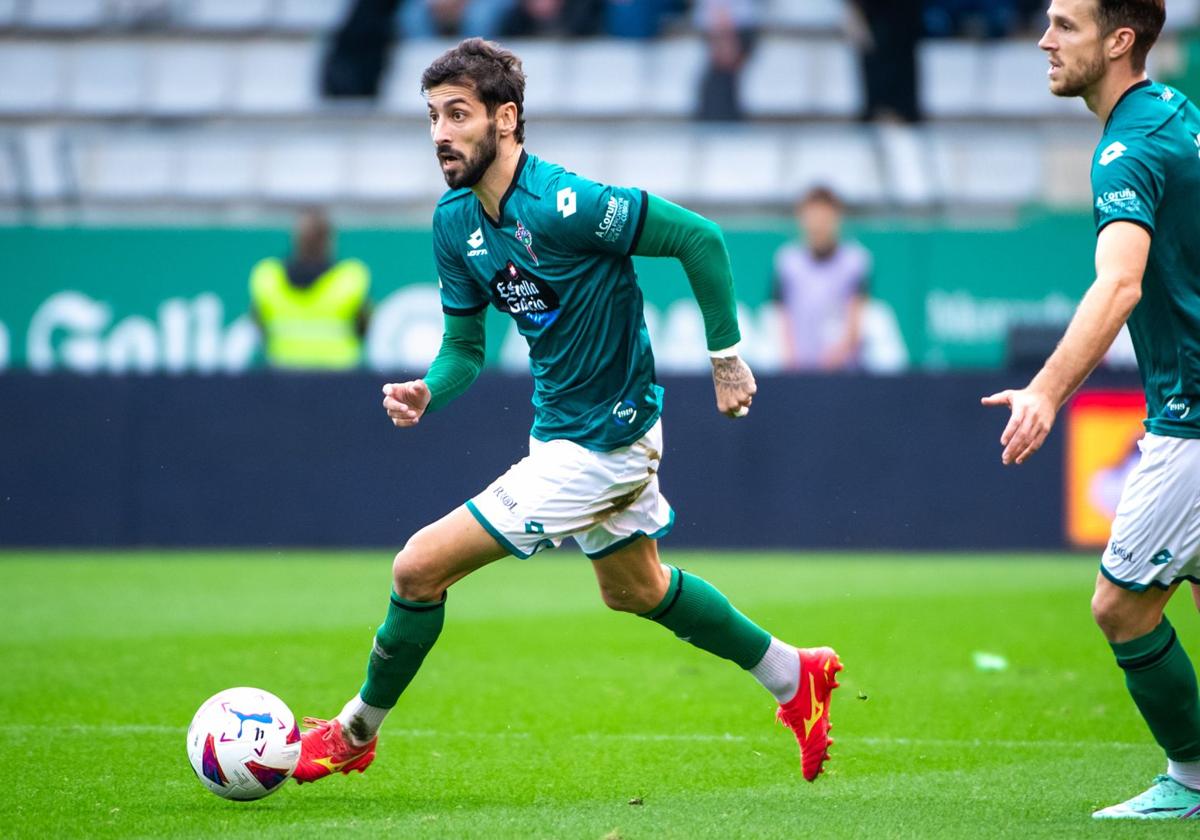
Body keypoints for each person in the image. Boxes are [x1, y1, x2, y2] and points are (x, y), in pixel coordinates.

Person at [292, 38, 842, 786]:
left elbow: (697, 238)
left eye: (458, 115)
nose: (440, 134)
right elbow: (463, 346)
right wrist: (429, 387)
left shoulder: (567, 203)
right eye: (432, 117)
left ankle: (356, 730)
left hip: (604, 445)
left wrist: (726, 357)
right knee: (635, 589)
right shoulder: (455, 222)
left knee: (417, 567)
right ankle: (793, 676)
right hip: (563, 429)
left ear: (505, 118)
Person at [982, 0, 1200, 820]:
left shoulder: (1128, 148)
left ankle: (1189, 777)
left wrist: (1044, 390)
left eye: (1065, 25)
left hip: (1193, 415)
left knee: (1119, 606)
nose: (1045, 39)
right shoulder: (1174, 112)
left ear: (1119, 40)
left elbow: (1120, 283)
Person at [249, 210, 371, 370]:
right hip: (338, 377)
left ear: (296, 239)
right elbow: (364, 326)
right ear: (329, 241)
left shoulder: (267, 277)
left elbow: (259, 326)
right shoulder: (351, 278)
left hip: (283, 375)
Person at [772, 186, 870, 372]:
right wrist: (791, 361)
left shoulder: (856, 261)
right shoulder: (787, 262)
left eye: (824, 219)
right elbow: (781, 317)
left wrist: (836, 357)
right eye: (812, 218)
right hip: (798, 373)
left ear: (836, 219)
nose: (818, 226)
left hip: (844, 373)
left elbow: (856, 317)